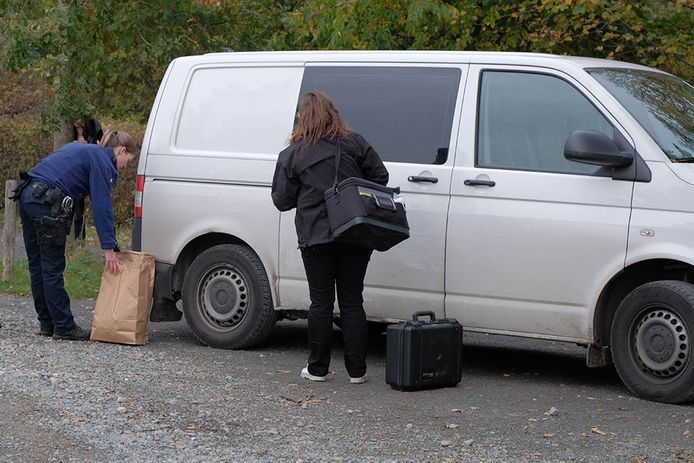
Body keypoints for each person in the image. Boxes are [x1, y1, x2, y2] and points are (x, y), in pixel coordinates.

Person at [271, 91, 389, 384]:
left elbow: (282, 201)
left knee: (320, 303)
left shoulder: (293, 154)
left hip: (315, 236)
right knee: (352, 301)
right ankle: (357, 371)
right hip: (355, 232)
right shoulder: (355, 143)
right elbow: (381, 177)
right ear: (333, 113)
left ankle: (318, 369)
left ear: (303, 118)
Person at [16, 129, 137, 341]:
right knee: (52, 266)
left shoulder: (82, 148)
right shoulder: (103, 160)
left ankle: (47, 323)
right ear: (122, 151)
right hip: (45, 201)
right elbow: (102, 205)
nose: (126, 166)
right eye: (128, 160)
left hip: (27, 194)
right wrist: (108, 248)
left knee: (37, 264)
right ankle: (63, 326)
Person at [71, 117, 104, 241]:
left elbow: (102, 144)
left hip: (91, 169)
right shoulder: (69, 132)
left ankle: (108, 239)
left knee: (100, 203)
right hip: (77, 172)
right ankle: (79, 238)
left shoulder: (94, 126)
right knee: (77, 209)